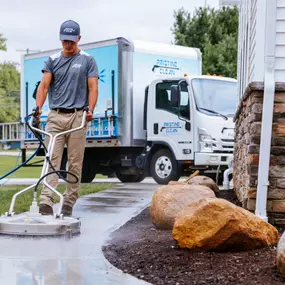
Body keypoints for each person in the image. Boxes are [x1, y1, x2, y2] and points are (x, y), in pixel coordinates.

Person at [35, 19, 99, 216]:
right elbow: (44, 86)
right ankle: (46, 199)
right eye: (65, 41)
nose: (68, 44)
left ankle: (69, 200)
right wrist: (38, 109)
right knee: (52, 158)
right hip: (55, 116)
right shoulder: (52, 60)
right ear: (60, 39)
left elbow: (93, 87)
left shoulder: (88, 60)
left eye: (71, 40)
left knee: (75, 161)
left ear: (79, 38)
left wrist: (90, 110)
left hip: (78, 116)